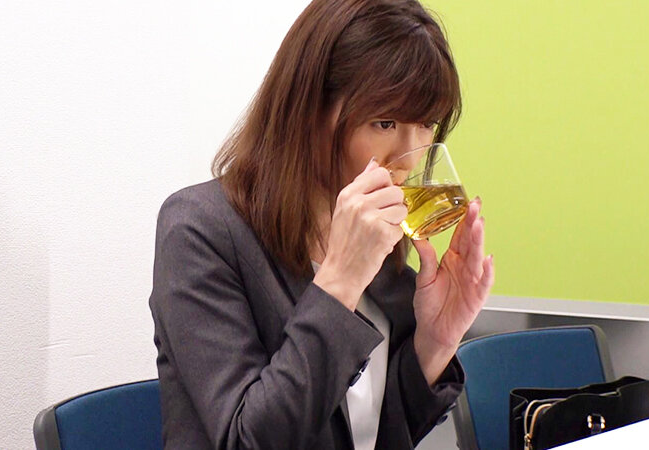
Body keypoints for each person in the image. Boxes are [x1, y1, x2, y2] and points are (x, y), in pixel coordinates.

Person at [149, 0, 494, 448]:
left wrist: (435, 343)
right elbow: (246, 439)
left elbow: (372, 431)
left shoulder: (377, 234)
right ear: (308, 110)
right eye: (385, 122)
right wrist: (340, 282)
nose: (408, 158)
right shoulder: (199, 230)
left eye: (426, 123)